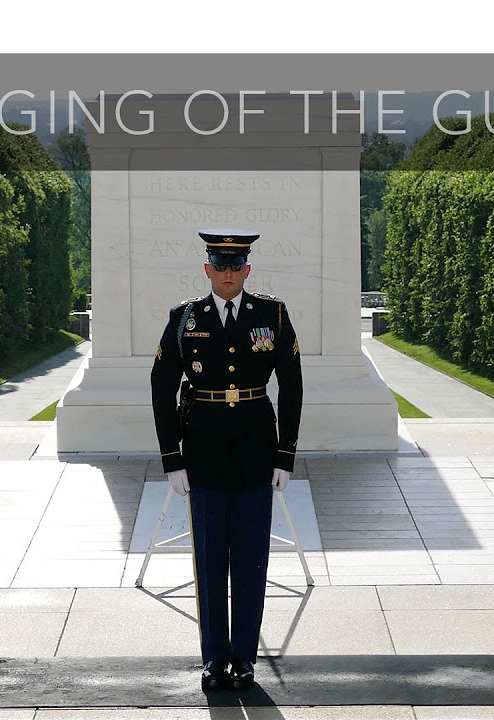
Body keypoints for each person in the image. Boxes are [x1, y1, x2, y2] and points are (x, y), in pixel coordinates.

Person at [150, 229, 303, 691]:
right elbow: (161, 385)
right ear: (207, 269)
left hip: (257, 451)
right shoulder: (185, 318)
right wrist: (172, 459)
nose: (228, 273)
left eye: (236, 266)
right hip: (205, 452)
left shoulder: (272, 315)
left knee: (253, 561)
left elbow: (292, 386)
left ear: (248, 270)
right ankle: (215, 657)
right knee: (210, 560)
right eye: (220, 265)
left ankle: (244, 659)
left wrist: (286, 454)